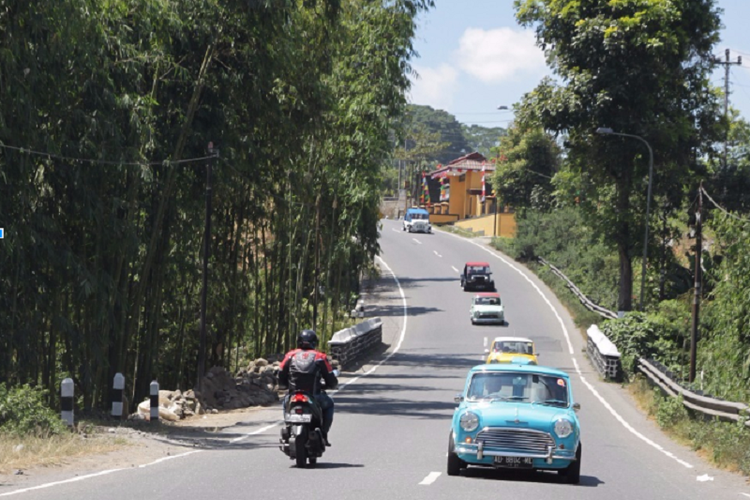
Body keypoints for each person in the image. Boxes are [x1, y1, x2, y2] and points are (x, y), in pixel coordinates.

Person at [279, 329, 338, 446]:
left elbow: (281, 372)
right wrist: (331, 384)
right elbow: (330, 376)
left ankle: (288, 426)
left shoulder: (290, 355)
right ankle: (324, 433)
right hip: (313, 395)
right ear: (314, 342)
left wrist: (283, 385)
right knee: (329, 404)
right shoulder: (320, 357)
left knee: (285, 403)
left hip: (293, 395)